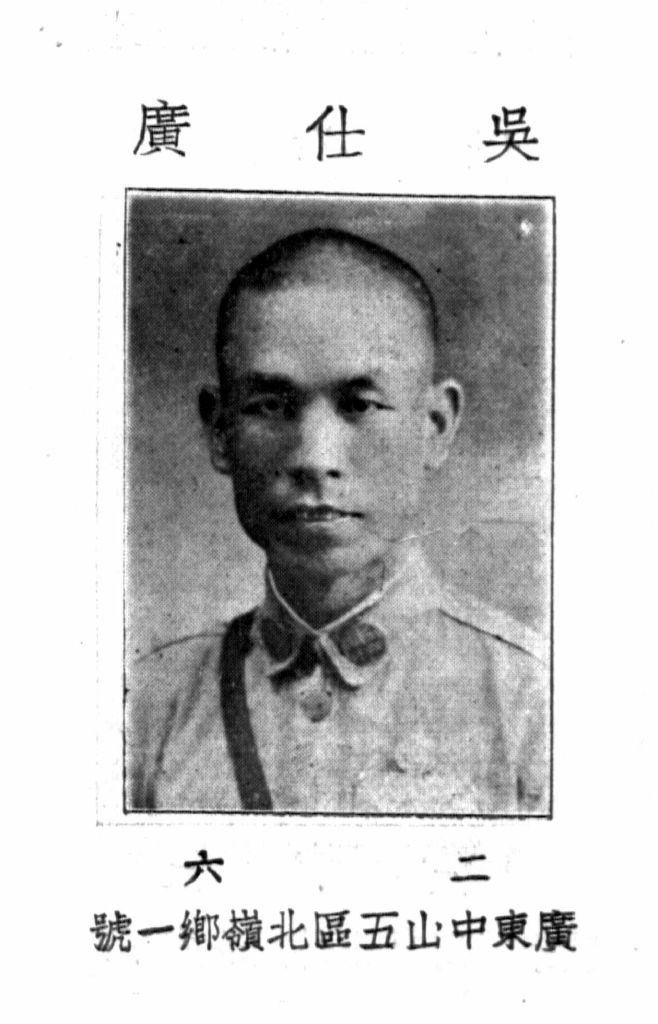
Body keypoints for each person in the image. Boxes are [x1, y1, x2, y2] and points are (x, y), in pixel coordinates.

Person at [126, 226, 548, 815]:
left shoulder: (533, 703)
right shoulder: (146, 706)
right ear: (220, 430)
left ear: (435, 425)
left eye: (360, 405)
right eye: (270, 406)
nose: (314, 457)